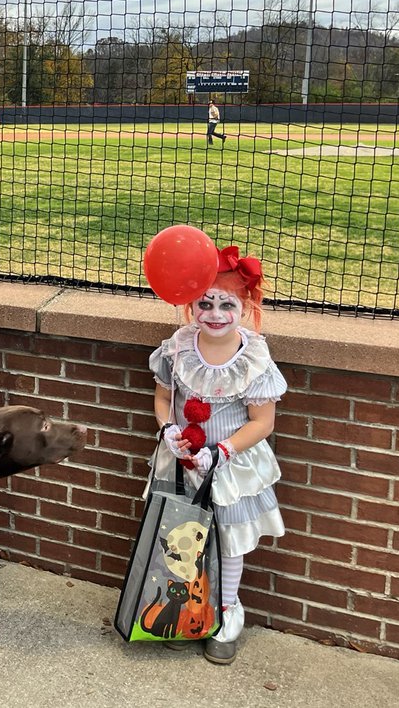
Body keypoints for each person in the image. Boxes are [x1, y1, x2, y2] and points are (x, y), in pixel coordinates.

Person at [148, 245, 285, 666]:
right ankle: (187, 609)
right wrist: (168, 429)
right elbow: (163, 398)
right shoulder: (178, 347)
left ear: (245, 307)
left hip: (228, 467)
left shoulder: (253, 358)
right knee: (183, 538)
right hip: (182, 463)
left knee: (227, 541)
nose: (215, 314)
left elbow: (262, 422)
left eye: (227, 304)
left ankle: (226, 614)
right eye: (205, 303)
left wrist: (221, 451)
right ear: (190, 305)